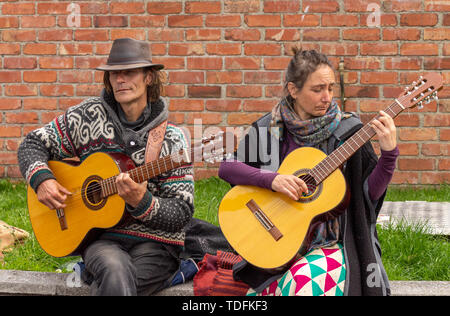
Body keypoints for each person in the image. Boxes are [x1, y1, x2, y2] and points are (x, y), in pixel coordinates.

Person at [17, 38, 194, 296]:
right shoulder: (87, 116)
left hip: (155, 245)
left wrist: (143, 201)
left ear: (149, 78)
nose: (120, 79)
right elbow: (33, 143)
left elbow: (182, 212)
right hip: (101, 239)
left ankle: (92, 274)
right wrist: (41, 179)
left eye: (130, 72)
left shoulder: (173, 140)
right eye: (114, 73)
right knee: (114, 269)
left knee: (115, 280)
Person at [218, 48, 398, 296]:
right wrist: (273, 180)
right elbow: (227, 167)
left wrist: (389, 154)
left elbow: (369, 193)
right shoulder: (269, 128)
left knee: (302, 285)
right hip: (276, 243)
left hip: (332, 245)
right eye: (317, 89)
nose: (327, 97)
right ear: (293, 90)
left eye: (331, 88)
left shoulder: (349, 131)